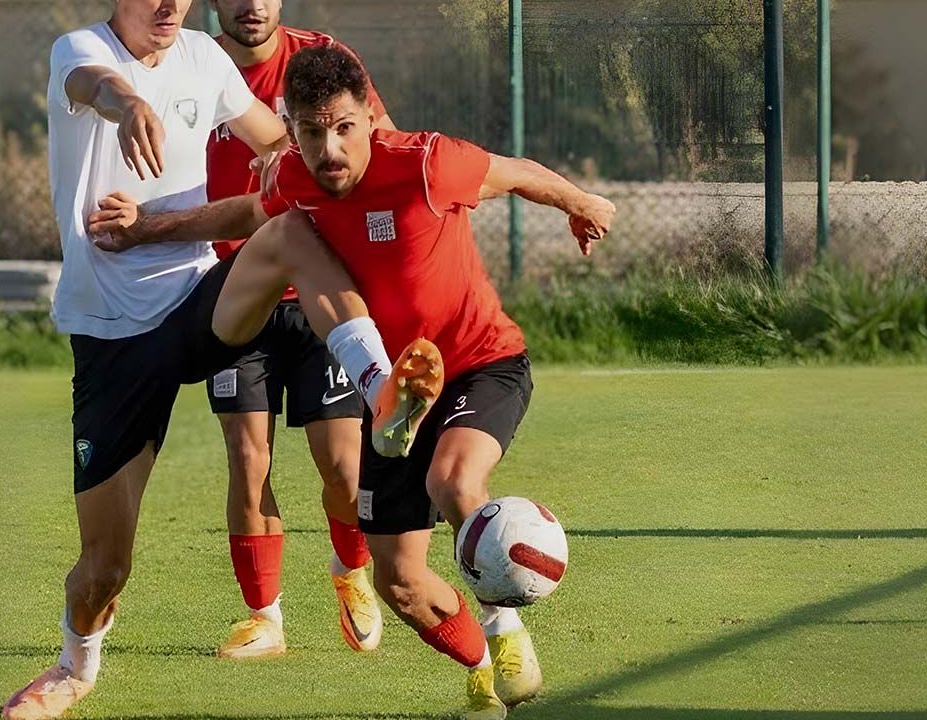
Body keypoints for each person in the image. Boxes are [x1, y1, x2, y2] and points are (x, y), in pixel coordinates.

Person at [86, 44, 615, 720]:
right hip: (393, 392)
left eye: (343, 128)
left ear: (369, 117)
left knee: (453, 481)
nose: (329, 149)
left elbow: (512, 172)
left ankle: (505, 628)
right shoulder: (295, 179)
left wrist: (580, 202)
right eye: (311, 132)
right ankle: (483, 674)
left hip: (479, 363)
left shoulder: (427, 163)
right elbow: (244, 216)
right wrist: (146, 230)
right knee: (400, 584)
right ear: (292, 129)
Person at [1, 4, 426, 718]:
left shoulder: (203, 55)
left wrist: (304, 159)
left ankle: (378, 384)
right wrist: (129, 103)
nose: (169, 6)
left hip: (199, 299)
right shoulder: (77, 50)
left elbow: (275, 140)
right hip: (113, 338)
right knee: (104, 570)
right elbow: (95, 86)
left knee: (288, 234)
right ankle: (75, 668)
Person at [201, 0, 397, 660]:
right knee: (247, 455)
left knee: (343, 465)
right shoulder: (190, 67)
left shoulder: (321, 61)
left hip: (321, 291)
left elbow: (380, 147)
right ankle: (264, 616)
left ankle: (352, 572)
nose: (252, 5)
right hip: (237, 292)